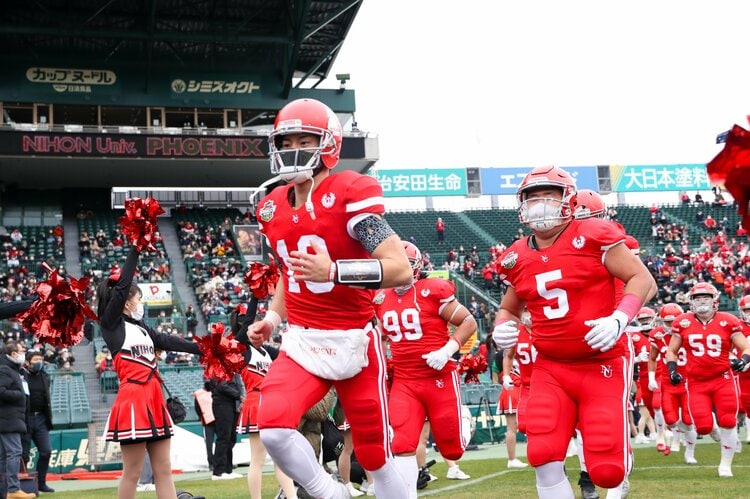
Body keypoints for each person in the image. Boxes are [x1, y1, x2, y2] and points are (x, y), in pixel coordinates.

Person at [247, 98, 412, 499]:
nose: (294, 149)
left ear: (329, 145)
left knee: (374, 455)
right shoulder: (270, 206)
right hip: (303, 340)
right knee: (272, 427)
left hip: (355, 338)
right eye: (287, 141)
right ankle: (328, 492)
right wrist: (272, 318)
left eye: (306, 140)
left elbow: (400, 268)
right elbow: (290, 272)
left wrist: (335, 270)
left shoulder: (351, 192)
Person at [492, 166, 656, 498]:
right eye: (532, 197)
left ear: (567, 199)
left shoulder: (594, 233)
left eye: (548, 195)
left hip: (601, 361)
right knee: (542, 454)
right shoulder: (515, 256)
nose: (539, 204)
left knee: (607, 472)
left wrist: (619, 319)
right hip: (550, 366)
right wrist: (501, 328)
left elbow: (643, 280)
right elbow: (510, 308)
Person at [97, 244, 202, 498]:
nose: (140, 302)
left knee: (164, 469)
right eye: (138, 298)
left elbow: (169, 341)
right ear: (124, 302)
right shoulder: (111, 325)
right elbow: (122, 287)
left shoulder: (142, 328)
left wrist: (207, 349)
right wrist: (135, 247)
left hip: (154, 398)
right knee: (132, 473)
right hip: (133, 399)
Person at [373, 241, 477, 497]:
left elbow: (468, 321)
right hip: (405, 381)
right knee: (403, 444)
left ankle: (463, 419)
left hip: (438, 377)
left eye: (404, 265)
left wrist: (447, 351)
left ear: (416, 267)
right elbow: (381, 336)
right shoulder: (380, 297)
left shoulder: (433, 289)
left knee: (452, 450)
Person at [666, 282, 750, 477]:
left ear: (715, 301)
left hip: (723, 378)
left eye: (706, 298)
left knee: (728, 420)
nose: (702, 301)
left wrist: (743, 359)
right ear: (691, 301)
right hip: (696, 381)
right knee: (703, 426)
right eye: (698, 298)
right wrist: (672, 370)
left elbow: (745, 347)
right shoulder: (682, 322)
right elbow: (672, 350)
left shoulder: (728, 320)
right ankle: (718, 435)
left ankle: (725, 465)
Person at [232, 307, 297, 499]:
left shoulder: (264, 350)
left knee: (281, 459)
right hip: (256, 401)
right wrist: (255, 295)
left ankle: (292, 496)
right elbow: (244, 331)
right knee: (258, 459)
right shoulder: (241, 348)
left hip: (272, 402)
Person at [647, 303, 697, 464]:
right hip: (668, 383)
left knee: (688, 421)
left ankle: (690, 452)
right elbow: (652, 358)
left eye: (673, 321)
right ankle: (678, 436)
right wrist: (651, 377)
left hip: (688, 382)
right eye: (667, 322)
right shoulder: (657, 335)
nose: (670, 325)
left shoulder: (691, 332)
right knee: (671, 420)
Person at [0, 341, 36, 499]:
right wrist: (19, 394)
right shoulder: (5, 370)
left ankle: (4, 491)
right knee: (14, 453)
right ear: (13, 354)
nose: (24, 353)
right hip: (8, 419)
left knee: (3, 456)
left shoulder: (14, 370)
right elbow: (1, 391)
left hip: (10, 419)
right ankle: (13, 489)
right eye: (22, 350)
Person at [21, 350, 54, 493]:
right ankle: (24, 486)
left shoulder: (44, 376)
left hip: (41, 419)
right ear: (27, 362)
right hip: (25, 419)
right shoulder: (21, 376)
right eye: (35, 359)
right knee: (24, 456)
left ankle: (41, 483)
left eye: (40, 359)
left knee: (46, 451)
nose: (38, 362)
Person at [207, 374, 243, 481]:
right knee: (223, 437)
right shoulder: (217, 368)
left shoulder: (231, 370)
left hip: (232, 403)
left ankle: (228, 469)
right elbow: (221, 386)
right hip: (222, 403)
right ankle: (218, 471)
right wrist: (239, 395)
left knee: (231, 438)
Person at [193, 381, 216, 472]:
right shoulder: (200, 394)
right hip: (210, 421)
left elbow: (197, 408)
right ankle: (212, 463)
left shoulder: (199, 394)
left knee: (211, 443)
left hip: (209, 420)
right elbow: (197, 408)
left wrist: (201, 417)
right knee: (211, 443)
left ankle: (214, 463)